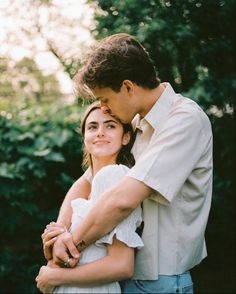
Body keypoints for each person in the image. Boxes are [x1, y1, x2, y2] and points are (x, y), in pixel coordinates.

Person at [45, 33, 213, 293]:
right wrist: (60, 231)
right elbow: (86, 179)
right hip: (122, 278)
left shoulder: (184, 120)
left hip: (160, 282)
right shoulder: (135, 124)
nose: (104, 108)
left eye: (105, 99)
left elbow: (123, 200)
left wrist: (72, 246)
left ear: (128, 87)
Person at [36, 101, 144, 293]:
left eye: (110, 125)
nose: (100, 132)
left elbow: (122, 265)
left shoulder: (114, 176)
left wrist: (54, 276)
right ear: (85, 136)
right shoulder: (89, 184)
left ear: (126, 137)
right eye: (93, 127)